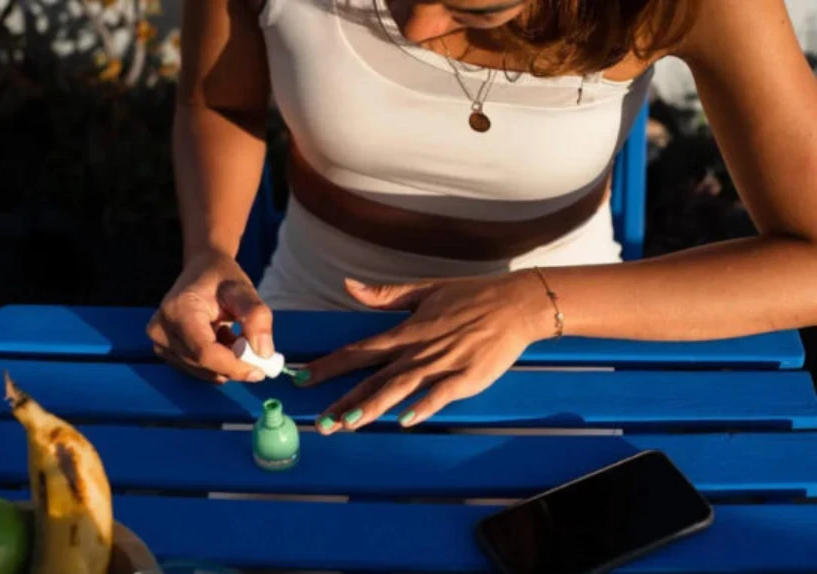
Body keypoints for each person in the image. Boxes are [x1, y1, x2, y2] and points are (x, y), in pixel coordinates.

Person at [146, 0, 817, 435]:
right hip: (314, 321)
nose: (412, 26)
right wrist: (210, 251)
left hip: (568, 331)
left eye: (476, 6)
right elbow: (219, 103)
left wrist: (536, 304)